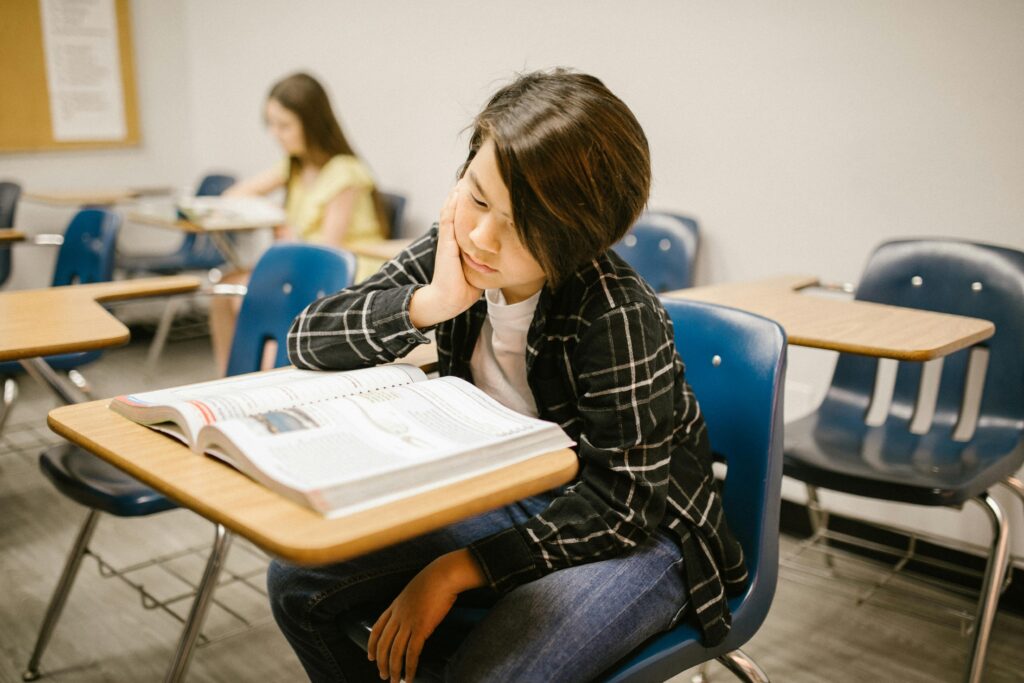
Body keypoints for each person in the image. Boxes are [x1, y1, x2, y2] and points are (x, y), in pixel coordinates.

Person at [269, 68, 746, 683]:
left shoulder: (616, 311)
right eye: (476, 195)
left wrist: (455, 570)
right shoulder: (457, 245)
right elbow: (309, 336)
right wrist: (431, 303)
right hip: (508, 495)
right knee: (297, 582)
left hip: (643, 536)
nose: (482, 236)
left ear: (581, 236)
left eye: (522, 223)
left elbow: (621, 507)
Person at [208, 71, 387, 374]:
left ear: (311, 123)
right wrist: (273, 210)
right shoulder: (294, 166)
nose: (276, 134)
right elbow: (232, 197)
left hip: (347, 267)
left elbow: (329, 248)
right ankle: (231, 376)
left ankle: (265, 380)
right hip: (302, 261)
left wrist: (289, 233)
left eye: (284, 125)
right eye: (271, 124)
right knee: (224, 286)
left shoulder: (345, 171)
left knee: (254, 298)